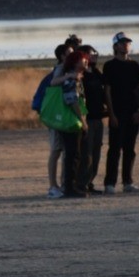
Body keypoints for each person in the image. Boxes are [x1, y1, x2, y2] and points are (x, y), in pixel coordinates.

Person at [102, 32, 139, 194]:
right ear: (116, 46)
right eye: (122, 43)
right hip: (117, 113)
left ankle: (128, 182)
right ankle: (110, 183)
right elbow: (107, 90)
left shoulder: (134, 66)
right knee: (114, 148)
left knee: (130, 148)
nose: (126, 45)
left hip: (133, 112)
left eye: (128, 42)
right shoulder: (109, 66)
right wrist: (111, 114)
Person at [34, 43, 71, 199]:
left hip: (61, 116)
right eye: (69, 53)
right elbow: (54, 82)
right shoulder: (60, 69)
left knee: (62, 150)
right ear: (62, 56)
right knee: (56, 150)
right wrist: (68, 76)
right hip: (56, 116)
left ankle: (61, 184)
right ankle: (52, 186)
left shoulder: (66, 69)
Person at [50, 50, 89, 198]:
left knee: (75, 154)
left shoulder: (77, 78)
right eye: (82, 60)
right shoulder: (70, 79)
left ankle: (72, 187)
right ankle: (69, 188)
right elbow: (71, 100)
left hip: (74, 121)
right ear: (74, 62)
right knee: (72, 155)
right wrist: (82, 120)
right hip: (71, 122)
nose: (86, 62)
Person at [76, 44, 108, 194]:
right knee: (86, 153)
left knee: (96, 152)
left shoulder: (96, 72)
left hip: (98, 118)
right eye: (91, 53)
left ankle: (89, 182)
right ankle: (81, 184)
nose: (95, 55)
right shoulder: (81, 75)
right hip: (87, 118)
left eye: (95, 52)